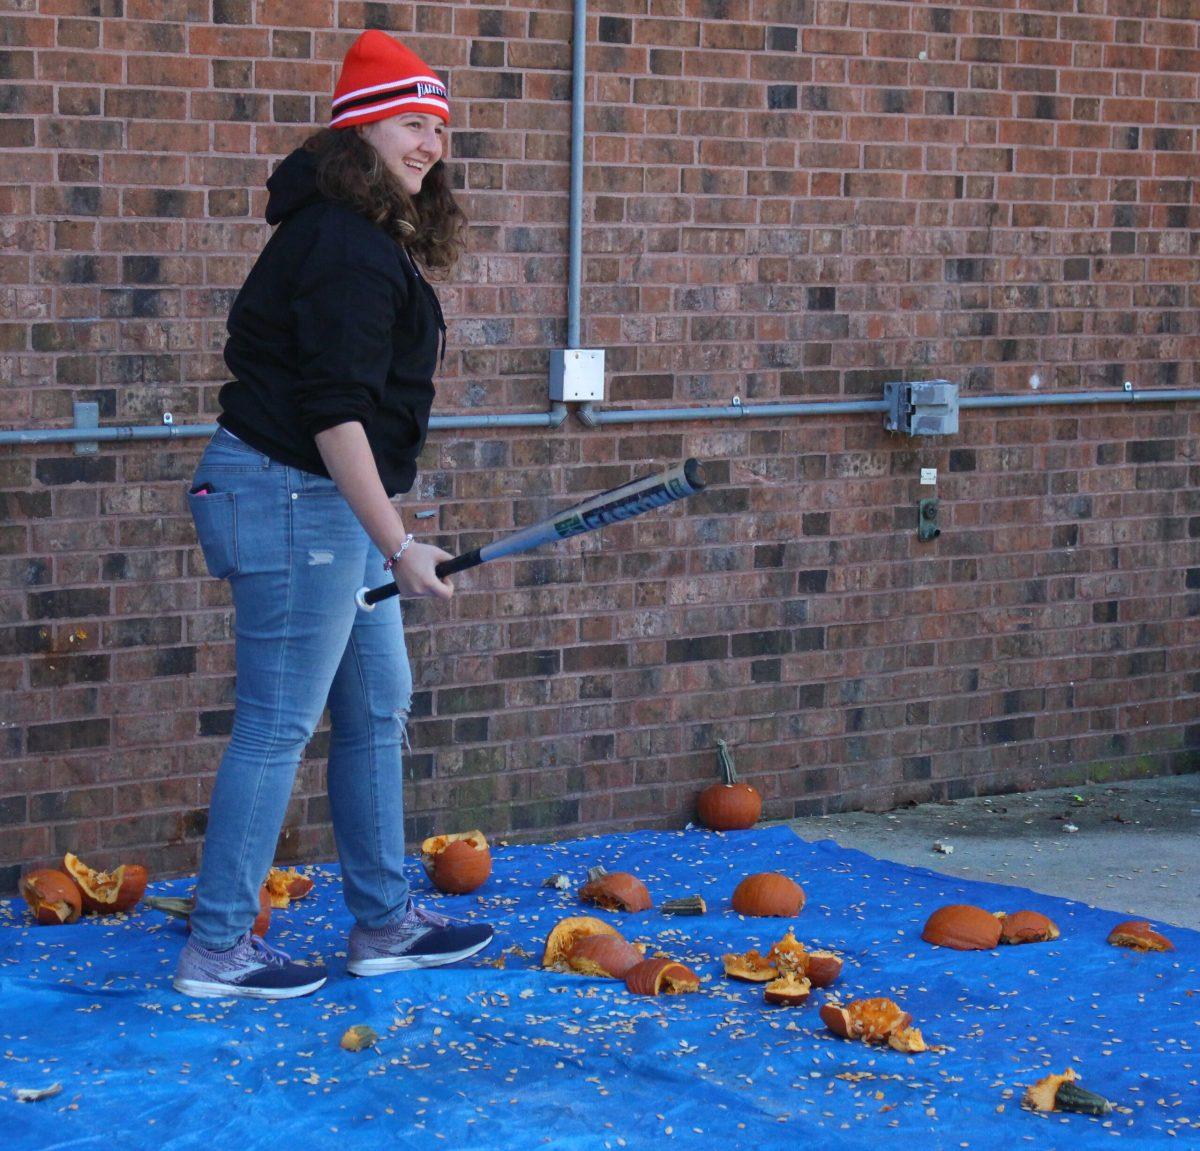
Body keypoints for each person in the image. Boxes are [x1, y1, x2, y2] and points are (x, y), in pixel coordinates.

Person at [174, 30, 493, 999]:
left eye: (439, 125)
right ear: (359, 129)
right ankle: (218, 946)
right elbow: (335, 413)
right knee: (278, 720)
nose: (431, 141)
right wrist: (396, 542)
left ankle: (384, 919)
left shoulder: (363, 237)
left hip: (323, 507)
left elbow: (351, 419)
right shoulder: (345, 245)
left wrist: (384, 534)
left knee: (374, 703)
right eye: (410, 121)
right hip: (286, 498)